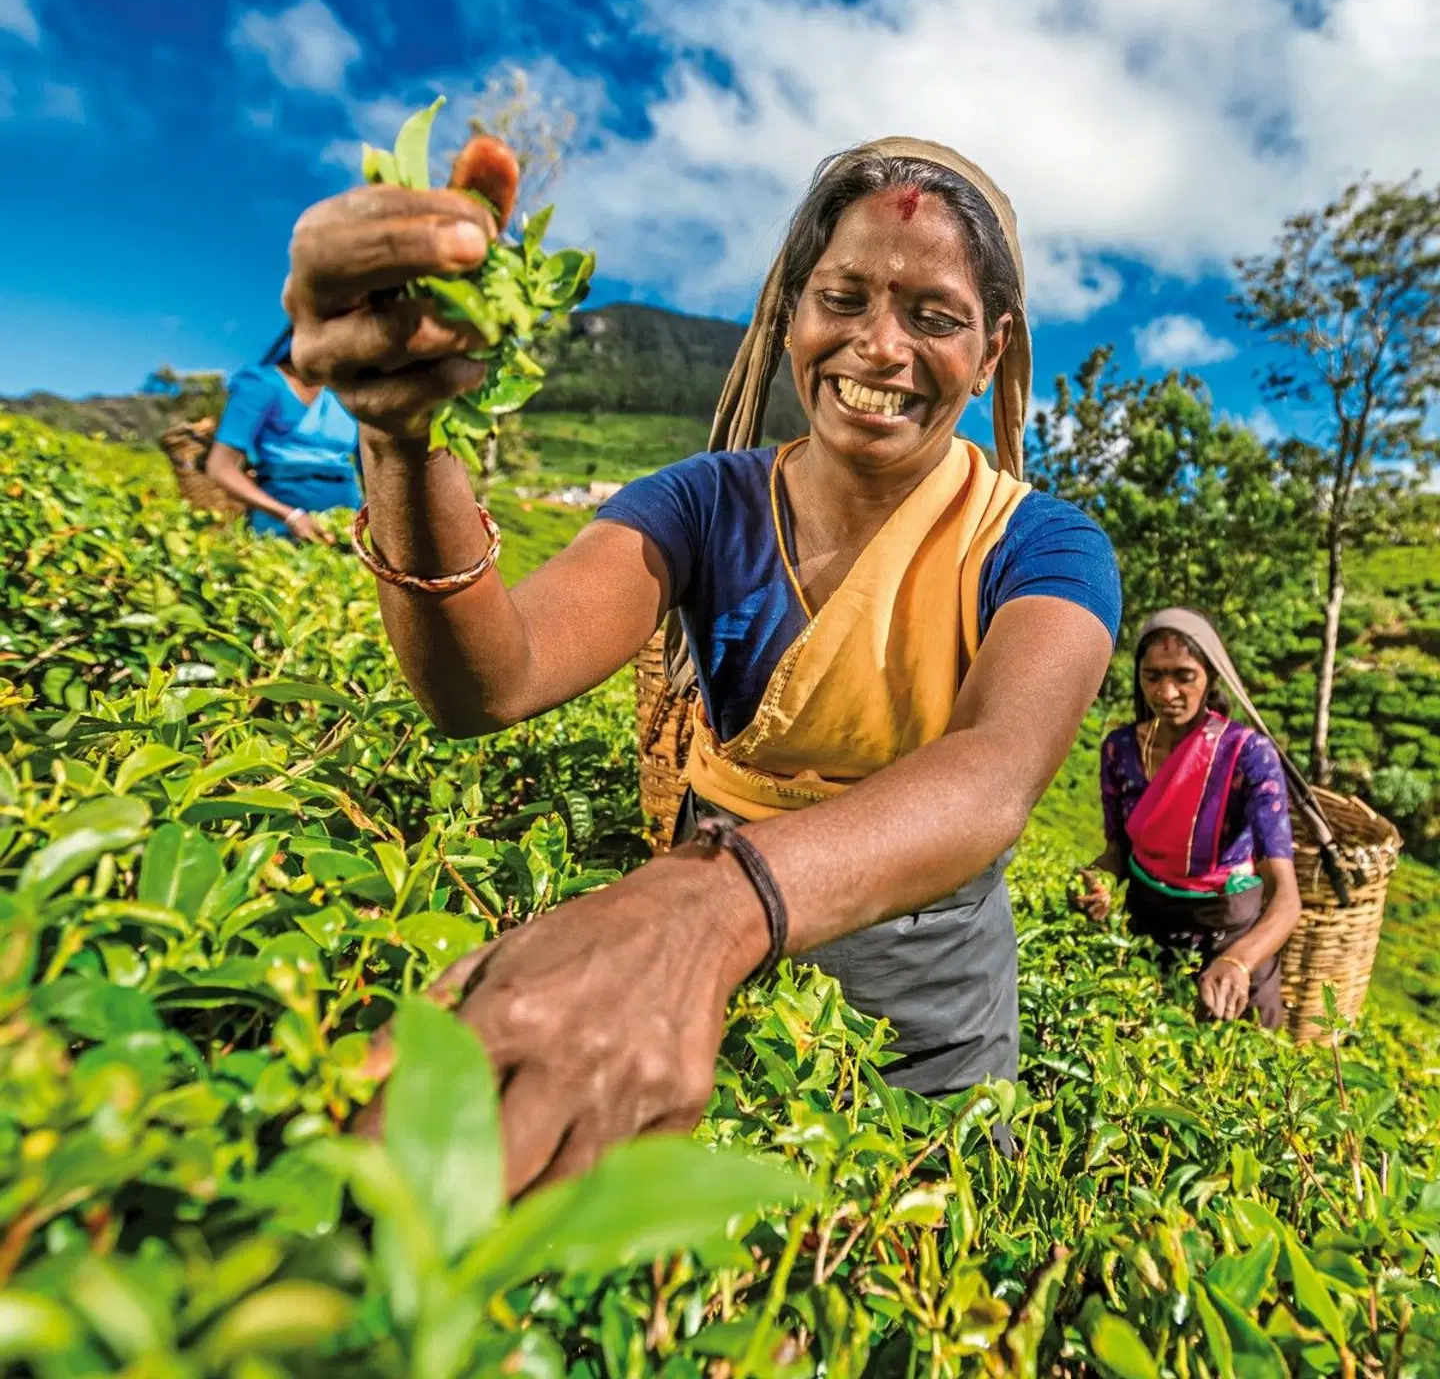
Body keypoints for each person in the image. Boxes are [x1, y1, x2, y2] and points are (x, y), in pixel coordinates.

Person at [282, 138, 1122, 1196]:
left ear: (990, 351)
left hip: (923, 1019)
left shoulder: (1043, 546)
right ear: (790, 314)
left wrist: (707, 908)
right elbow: (490, 680)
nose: (879, 347)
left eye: (935, 318)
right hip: (714, 986)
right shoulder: (702, 503)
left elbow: (995, 772)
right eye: (843, 299)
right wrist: (405, 440)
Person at [1072, 609, 1303, 1027]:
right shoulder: (1120, 750)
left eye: (1184, 676)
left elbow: (1286, 898)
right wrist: (1099, 882)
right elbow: (1117, 851)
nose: (1166, 692)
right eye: (1153, 676)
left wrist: (1239, 961)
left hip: (1229, 935)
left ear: (1210, 677)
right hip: (1147, 931)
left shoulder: (1247, 755)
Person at [205, 326, 362, 542]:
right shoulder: (262, 384)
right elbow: (220, 467)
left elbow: (372, 469)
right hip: (280, 527)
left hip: (348, 525)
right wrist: (290, 516)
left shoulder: (348, 395)